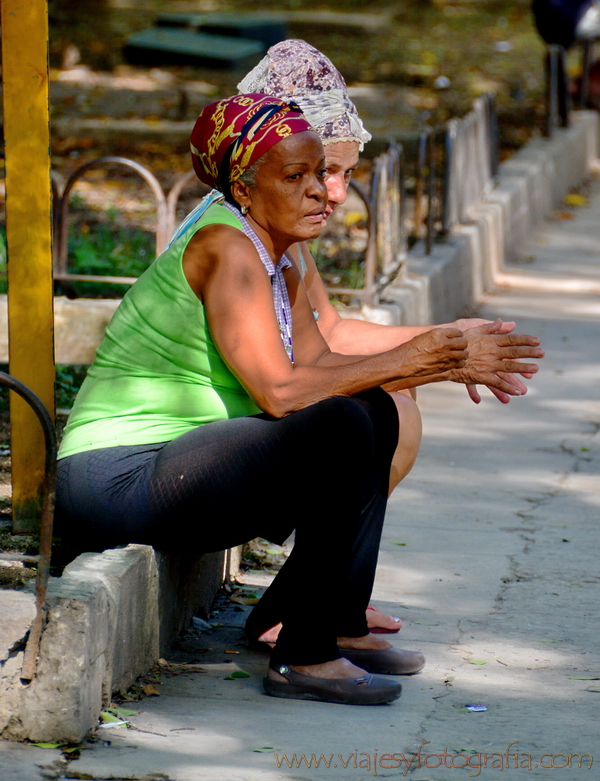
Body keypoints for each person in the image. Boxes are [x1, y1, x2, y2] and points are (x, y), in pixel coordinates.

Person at [58, 93, 520, 705]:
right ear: (244, 190)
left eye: (320, 174)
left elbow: (321, 364)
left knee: (372, 410)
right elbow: (280, 393)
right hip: (117, 477)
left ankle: (332, 618)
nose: (320, 192)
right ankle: (304, 658)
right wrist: (419, 356)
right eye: (295, 176)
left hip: (179, 468)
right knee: (339, 425)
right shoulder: (227, 248)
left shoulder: (277, 255)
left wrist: (440, 357)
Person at [237, 39, 545, 644]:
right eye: (322, 170)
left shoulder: (279, 228)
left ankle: (317, 599)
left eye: (345, 173)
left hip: (254, 410)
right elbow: (293, 370)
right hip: (205, 436)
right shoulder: (235, 234)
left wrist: (448, 341)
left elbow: (329, 332)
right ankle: (310, 613)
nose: (336, 193)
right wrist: (434, 358)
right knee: (377, 410)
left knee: (392, 402)